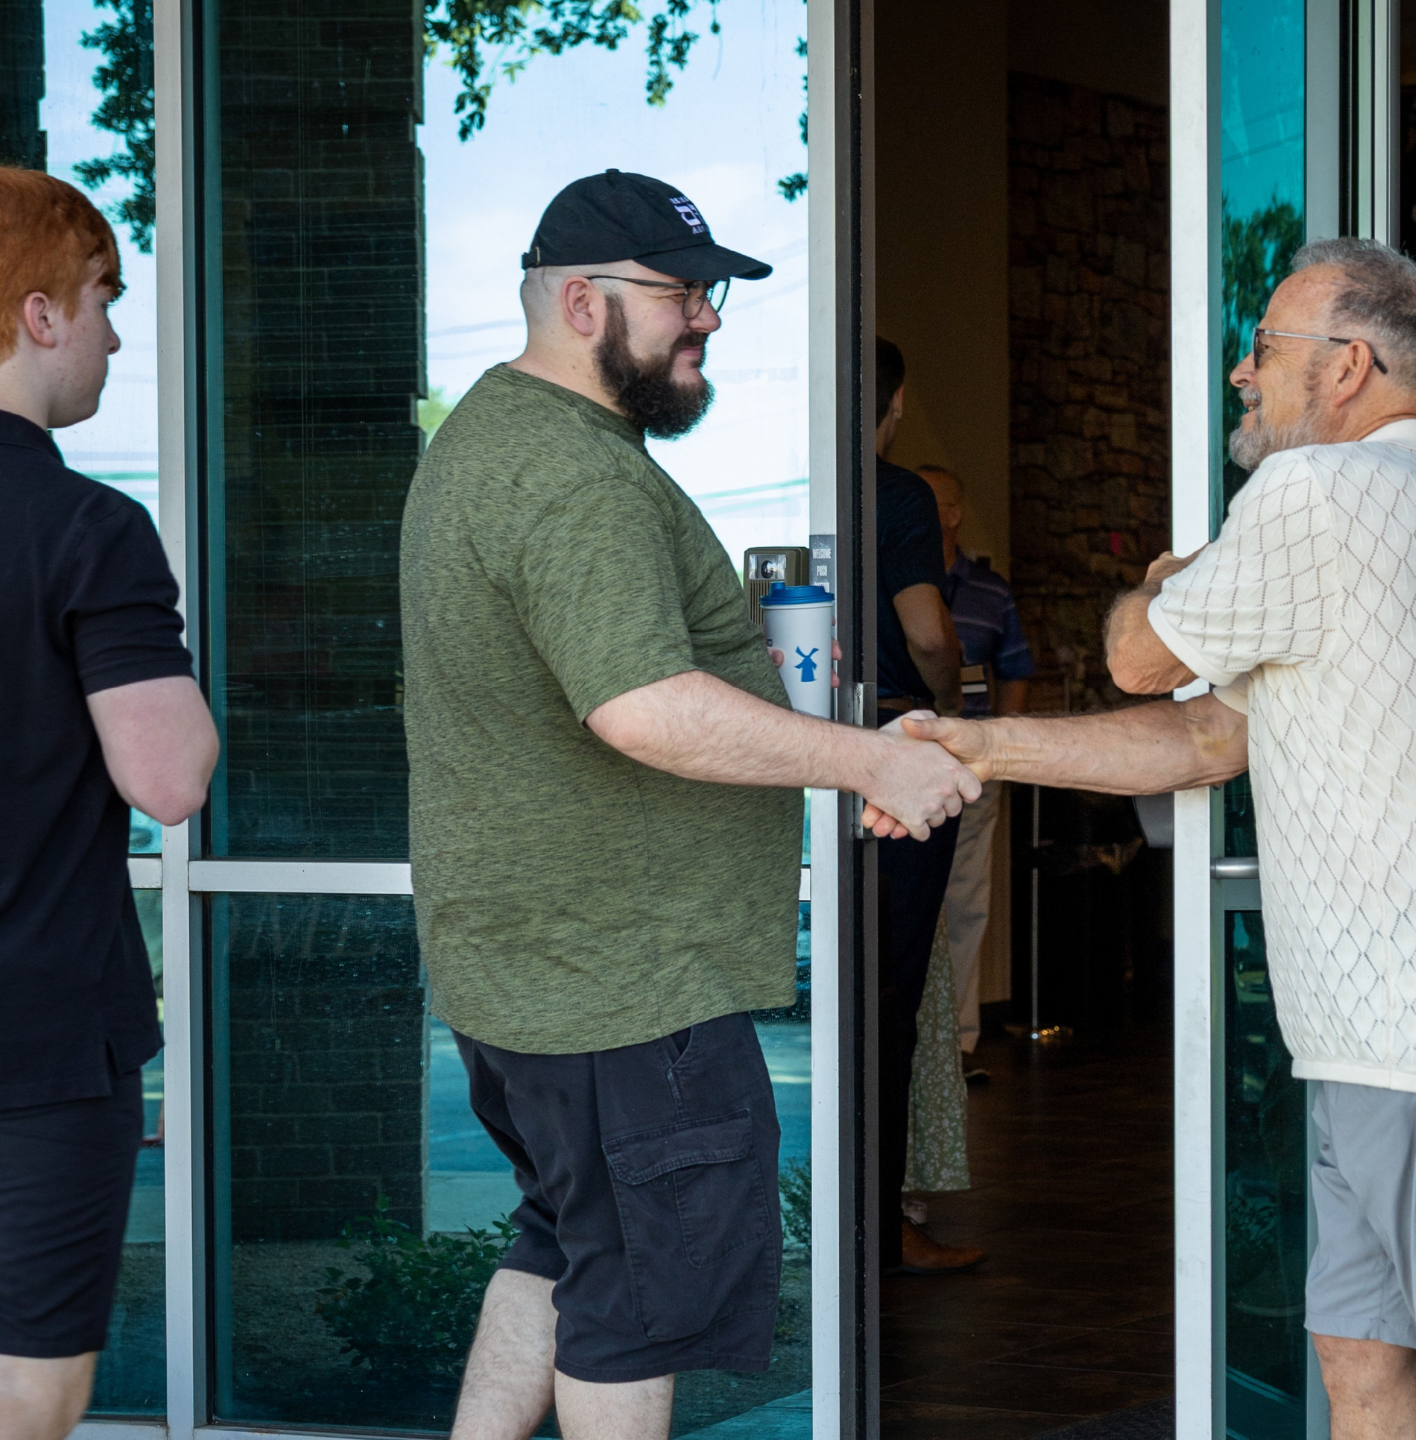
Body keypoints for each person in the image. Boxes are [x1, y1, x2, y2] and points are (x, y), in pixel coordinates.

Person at [895, 238, 1416, 1440]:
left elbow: (1139, 658)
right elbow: (1208, 737)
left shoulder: (1318, 492)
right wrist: (979, 748)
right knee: (1360, 1356)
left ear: (1348, 366)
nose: (1240, 369)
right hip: (1389, 1029)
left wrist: (1169, 579)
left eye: (1264, 344)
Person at [399, 171, 978, 1440]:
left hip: (538, 974)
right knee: (635, 1300)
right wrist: (867, 761)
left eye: (712, 293)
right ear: (581, 302)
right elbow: (641, 707)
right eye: (683, 293)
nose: (708, 317)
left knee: (564, 1243)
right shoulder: (576, 476)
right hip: (621, 985)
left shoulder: (493, 439)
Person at [0, 167, 217, 1440]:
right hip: (25, 1036)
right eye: (104, 299)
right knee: (22, 1389)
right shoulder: (87, 526)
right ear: (39, 315)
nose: (115, 335)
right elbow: (169, 779)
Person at [870, 340, 984, 1275]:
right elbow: (927, 633)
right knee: (892, 989)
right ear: (896, 403)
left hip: (785, 751)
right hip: (891, 748)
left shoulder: (802, 489)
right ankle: (881, 1228)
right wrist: (946, 716)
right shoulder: (897, 493)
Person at [915, 464, 1033, 1058]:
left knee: (964, 899)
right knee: (905, 900)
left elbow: (1015, 671)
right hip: (902, 760)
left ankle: (958, 1044)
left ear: (955, 514)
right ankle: (909, 1040)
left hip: (971, 767)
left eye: (928, 499)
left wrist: (1001, 752)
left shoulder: (990, 591)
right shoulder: (890, 574)